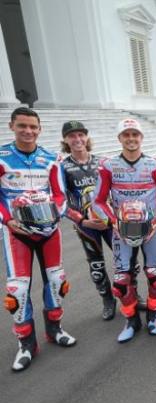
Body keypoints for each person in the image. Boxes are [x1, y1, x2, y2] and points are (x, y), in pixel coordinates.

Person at [1, 107, 75, 372]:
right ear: (12, 126)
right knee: (18, 290)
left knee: (56, 281)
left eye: (33, 126)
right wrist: (8, 219)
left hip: (48, 230)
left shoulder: (50, 158)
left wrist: (54, 216)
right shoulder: (2, 156)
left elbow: (60, 195)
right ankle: (26, 343)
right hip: (16, 232)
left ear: (40, 128)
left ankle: (54, 328)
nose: (28, 131)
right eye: (22, 126)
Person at [93, 118, 156, 343]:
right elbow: (98, 201)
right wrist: (113, 222)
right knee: (121, 282)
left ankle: (153, 316)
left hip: (151, 230)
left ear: (141, 138)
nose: (131, 138)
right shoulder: (108, 166)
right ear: (120, 138)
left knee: (155, 276)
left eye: (135, 134)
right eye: (126, 134)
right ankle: (131, 320)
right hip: (121, 230)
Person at [60, 120, 117, 322]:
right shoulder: (62, 167)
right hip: (86, 226)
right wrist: (82, 221)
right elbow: (60, 201)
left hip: (109, 223)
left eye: (80, 135)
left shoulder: (103, 162)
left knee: (125, 262)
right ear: (65, 139)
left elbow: (116, 192)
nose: (77, 139)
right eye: (72, 136)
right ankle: (108, 300)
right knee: (96, 266)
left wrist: (115, 217)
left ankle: (132, 294)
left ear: (87, 136)